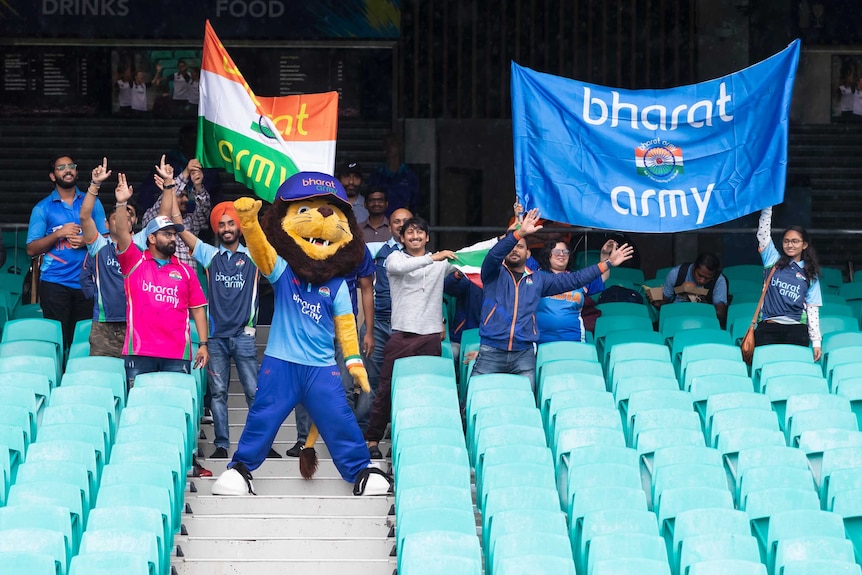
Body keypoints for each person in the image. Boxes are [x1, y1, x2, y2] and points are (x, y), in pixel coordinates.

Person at [113, 168, 211, 476]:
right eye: (168, 234)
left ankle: (178, 465)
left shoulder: (184, 270)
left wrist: (204, 343)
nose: (174, 237)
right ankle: (136, 464)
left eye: (174, 233)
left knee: (172, 412)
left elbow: (198, 309)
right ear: (151, 238)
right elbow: (121, 235)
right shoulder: (134, 261)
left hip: (176, 354)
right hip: (140, 353)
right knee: (138, 411)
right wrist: (120, 203)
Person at [471, 209, 633, 390]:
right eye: (511, 246)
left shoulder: (539, 279)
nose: (515, 249)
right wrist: (518, 233)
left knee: (526, 400)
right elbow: (494, 255)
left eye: (521, 246)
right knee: (478, 395)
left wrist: (607, 263)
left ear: (528, 254)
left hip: (523, 353)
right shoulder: (492, 273)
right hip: (492, 351)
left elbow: (575, 279)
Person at [364, 217, 457, 458]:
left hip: (429, 339)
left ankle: (416, 439)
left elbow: (471, 258)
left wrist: (511, 235)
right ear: (402, 238)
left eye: (420, 233)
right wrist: (433, 258)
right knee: (385, 389)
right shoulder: (395, 258)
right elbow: (398, 269)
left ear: (427, 237)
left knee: (425, 392)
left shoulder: (440, 264)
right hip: (401, 337)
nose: (415, 236)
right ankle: (372, 440)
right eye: (410, 233)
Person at [287, 246, 375, 457]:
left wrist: (368, 330)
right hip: (312, 323)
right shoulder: (309, 241)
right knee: (305, 386)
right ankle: (303, 441)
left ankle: (344, 443)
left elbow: (366, 288)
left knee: (343, 387)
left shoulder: (358, 247)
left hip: (345, 326)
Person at [27, 155, 109, 350]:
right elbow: (31, 249)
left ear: (77, 171)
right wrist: (59, 234)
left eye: (71, 166)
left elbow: (107, 242)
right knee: (58, 341)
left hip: (87, 282)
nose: (67, 170)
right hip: (55, 283)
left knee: (84, 341)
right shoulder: (42, 208)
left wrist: (86, 241)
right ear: (52, 176)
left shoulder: (93, 203)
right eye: (61, 167)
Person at [360, 207, 413, 421]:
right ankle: (364, 430)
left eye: (406, 221)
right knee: (371, 381)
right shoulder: (375, 250)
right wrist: (369, 331)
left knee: (403, 381)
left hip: (407, 327)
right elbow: (367, 289)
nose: (401, 225)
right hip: (379, 324)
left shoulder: (422, 255)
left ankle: (396, 429)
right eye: (396, 222)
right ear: (389, 227)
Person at [754, 206, 822, 360]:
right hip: (768, 328)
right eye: (786, 241)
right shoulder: (773, 260)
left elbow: (812, 310)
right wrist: (767, 207)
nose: (790, 245)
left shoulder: (810, 274)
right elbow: (763, 234)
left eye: (795, 241)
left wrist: (816, 341)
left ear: (804, 245)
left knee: (793, 371)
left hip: (797, 330)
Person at [535, 238, 614, 344]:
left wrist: (605, 255)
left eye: (565, 252)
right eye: (557, 251)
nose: (561, 254)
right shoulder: (536, 277)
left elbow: (603, 276)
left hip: (574, 338)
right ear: (547, 254)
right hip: (541, 339)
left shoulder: (577, 278)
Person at [142, 158, 211, 267]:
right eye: (181, 195)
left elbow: (204, 209)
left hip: (187, 280)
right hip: (161, 281)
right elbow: (165, 200)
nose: (186, 200)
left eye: (186, 195)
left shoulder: (190, 221)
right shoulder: (152, 217)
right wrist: (185, 173)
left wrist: (197, 185)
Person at [655, 252, 729, 328]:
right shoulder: (677, 273)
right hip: (676, 318)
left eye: (707, 278)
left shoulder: (719, 280)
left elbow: (720, 314)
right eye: (700, 275)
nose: (702, 281)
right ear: (694, 267)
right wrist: (656, 301)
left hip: (704, 321)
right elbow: (664, 302)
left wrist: (702, 301)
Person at [369, 133, 419, 218]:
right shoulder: (377, 174)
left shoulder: (409, 175)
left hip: (403, 222)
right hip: (381, 222)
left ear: (400, 147)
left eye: (392, 144)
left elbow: (415, 203)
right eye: (387, 145)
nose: (390, 148)